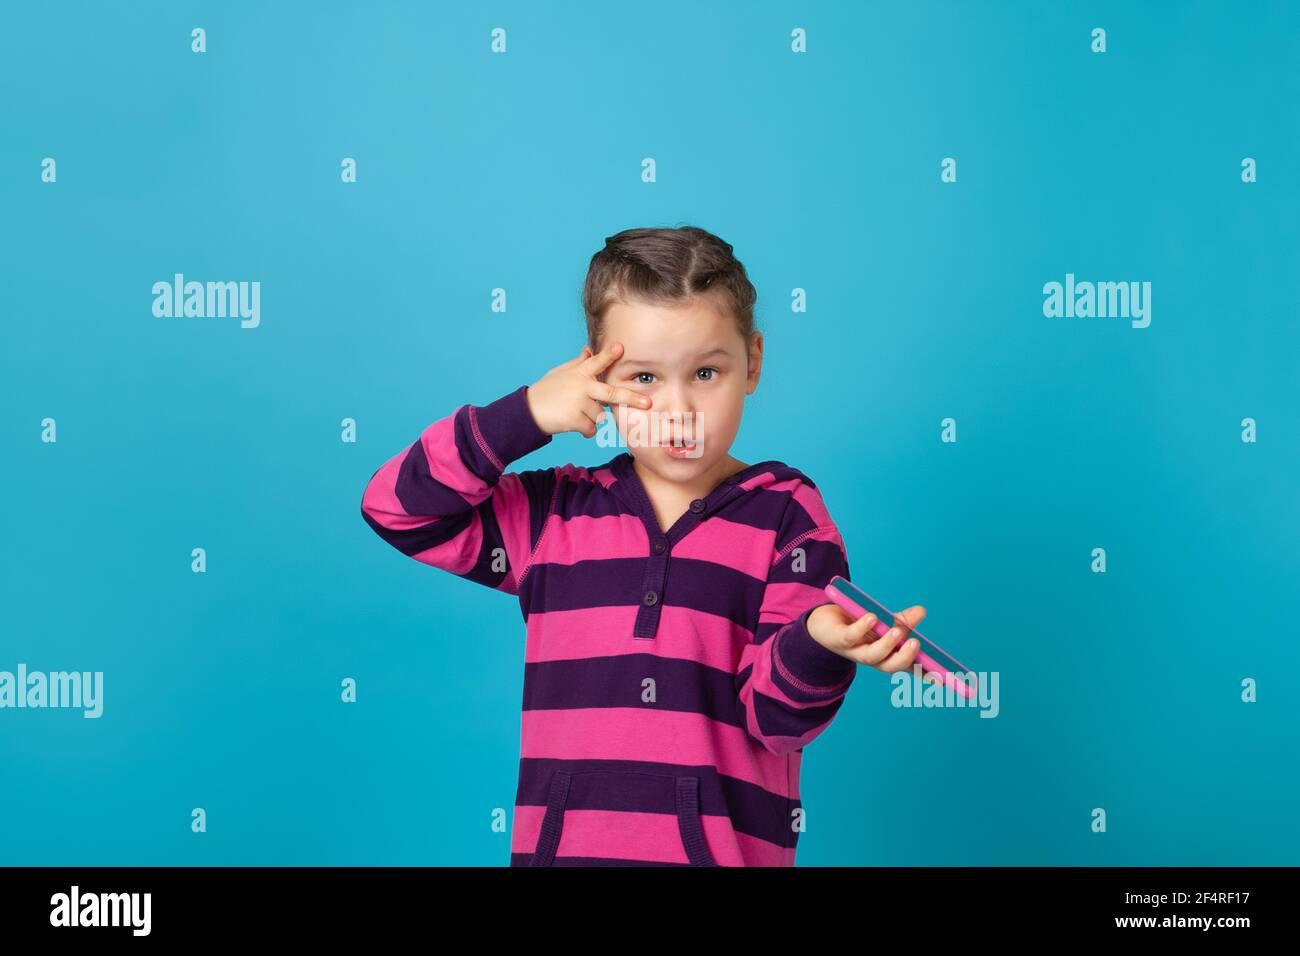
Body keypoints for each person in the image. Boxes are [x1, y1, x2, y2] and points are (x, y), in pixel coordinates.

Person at [360, 225, 928, 866]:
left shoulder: (788, 517)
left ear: (754, 363)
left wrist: (818, 642)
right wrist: (524, 415)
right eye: (645, 378)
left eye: (706, 372)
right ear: (594, 372)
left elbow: (780, 722)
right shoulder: (554, 513)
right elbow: (396, 509)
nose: (678, 409)